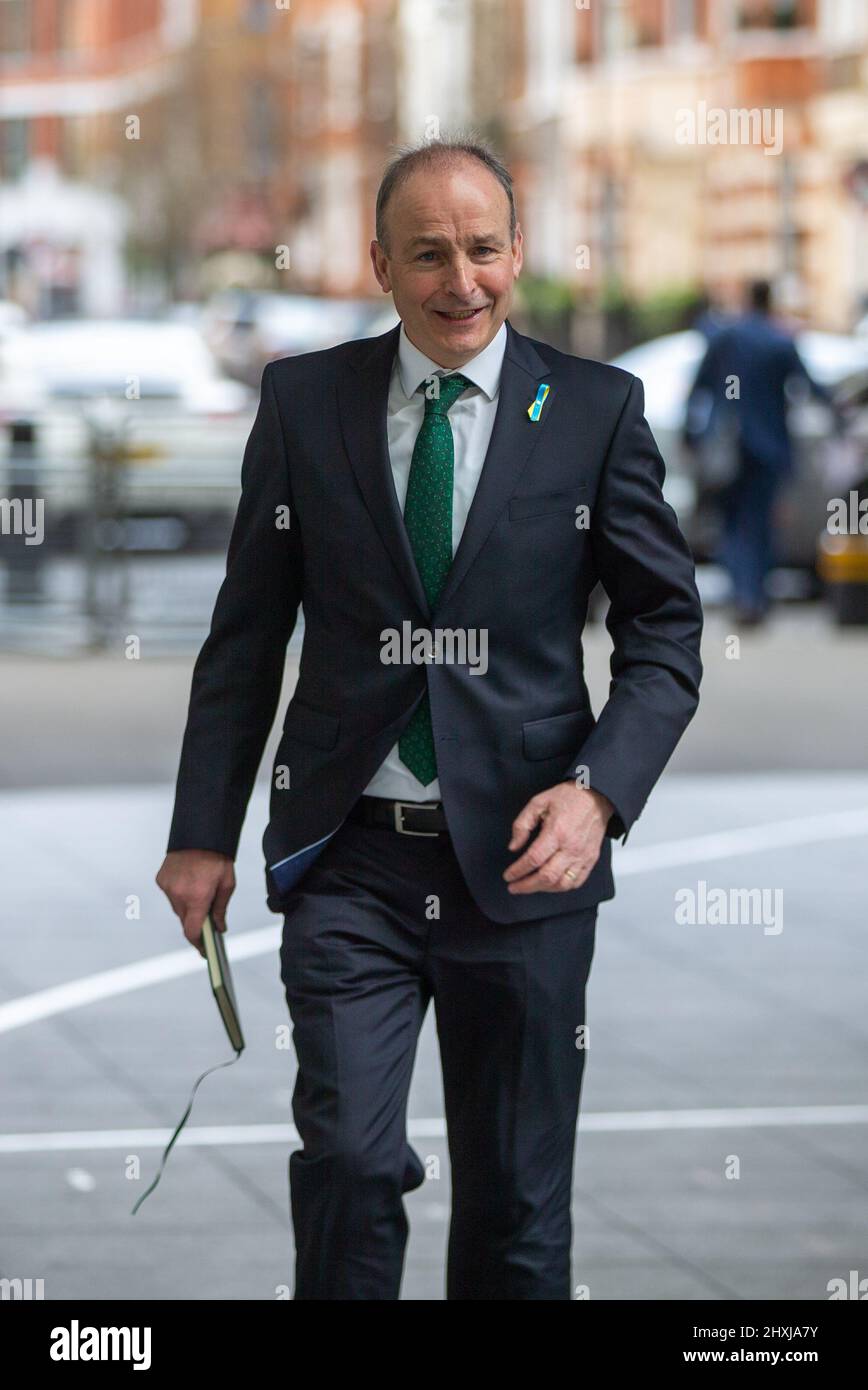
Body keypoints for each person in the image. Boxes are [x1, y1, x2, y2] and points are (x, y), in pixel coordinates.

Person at [156, 137, 703, 1300]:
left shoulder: (595, 410)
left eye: (485, 248)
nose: (463, 281)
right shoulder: (306, 403)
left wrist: (600, 789)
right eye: (429, 255)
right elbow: (247, 634)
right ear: (378, 264)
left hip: (526, 865)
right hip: (351, 857)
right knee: (351, 1162)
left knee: (515, 1211)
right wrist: (201, 829)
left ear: (518, 250)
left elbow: (665, 630)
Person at [686, 278, 838, 625]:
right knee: (760, 521)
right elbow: (810, 387)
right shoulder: (780, 341)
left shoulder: (725, 337)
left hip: (727, 446)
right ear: (770, 301)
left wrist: (691, 434)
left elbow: (700, 387)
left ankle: (743, 594)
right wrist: (838, 410)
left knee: (731, 522)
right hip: (768, 447)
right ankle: (753, 596)